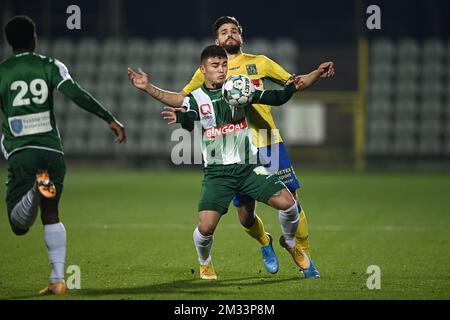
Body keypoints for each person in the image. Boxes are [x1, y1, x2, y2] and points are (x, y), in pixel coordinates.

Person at [128, 16, 334, 278]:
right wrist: (159, 97)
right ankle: (264, 241)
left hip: (266, 141)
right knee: (245, 217)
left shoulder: (259, 64)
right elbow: (186, 101)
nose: (229, 35)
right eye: (224, 32)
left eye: (234, 30)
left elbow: (290, 86)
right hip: (228, 155)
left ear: (241, 36)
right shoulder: (207, 73)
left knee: (291, 199)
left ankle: (299, 250)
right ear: (217, 41)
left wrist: (316, 72)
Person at [159, 45, 314, 279]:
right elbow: (190, 117)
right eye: (215, 65)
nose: (221, 70)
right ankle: (205, 262)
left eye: (224, 65)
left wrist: (292, 85)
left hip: (249, 167)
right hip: (217, 174)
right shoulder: (196, 97)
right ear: (203, 69)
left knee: (289, 204)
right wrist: (179, 116)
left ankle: (290, 242)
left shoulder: (238, 88)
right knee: (206, 228)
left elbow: (278, 97)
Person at [1, 15, 126, 295]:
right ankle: (58, 280)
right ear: (34, 39)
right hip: (51, 151)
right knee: (51, 212)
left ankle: (35, 189)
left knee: (19, 226)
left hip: (22, 151)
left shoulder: (2, 72)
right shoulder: (49, 65)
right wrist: (109, 118)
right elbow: (76, 93)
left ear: (9, 42)